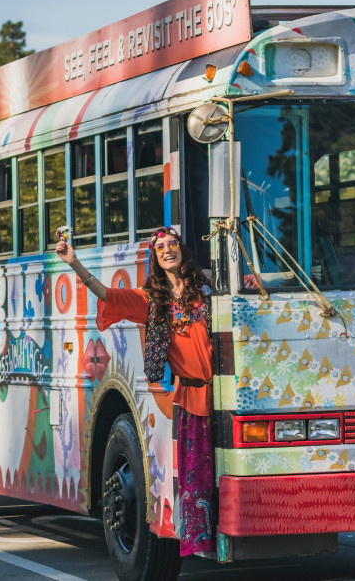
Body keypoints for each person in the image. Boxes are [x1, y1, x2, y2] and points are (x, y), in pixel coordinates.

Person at [56, 226, 215, 557]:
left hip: (225, 394)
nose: (167, 250)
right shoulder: (151, 301)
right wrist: (75, 264)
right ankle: (202, 542)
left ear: (183, 251)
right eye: (160, 248)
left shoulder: (207, 290)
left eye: (173, 244)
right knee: (197, 476)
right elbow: (107, 295)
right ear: (155, 259)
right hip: (192, 400)